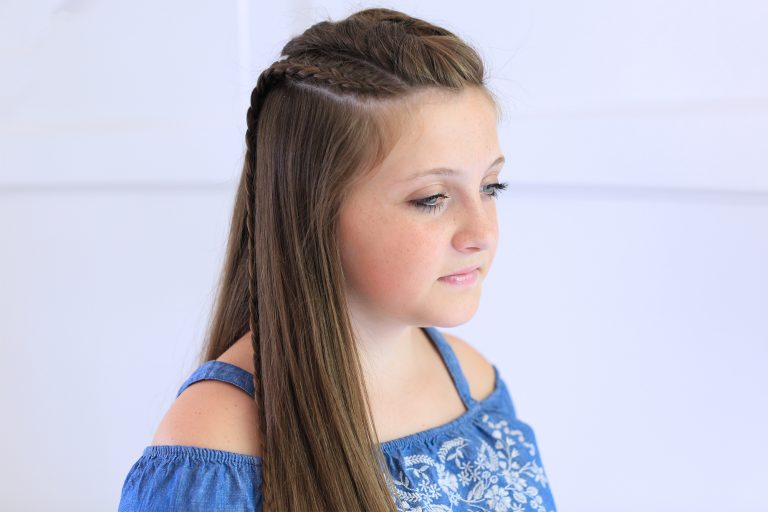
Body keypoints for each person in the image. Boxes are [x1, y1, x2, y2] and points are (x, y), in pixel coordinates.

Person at [118, 7, 557, 512]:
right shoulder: (218, 439)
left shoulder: (473, 384)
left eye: (489, 187)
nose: (481, 232)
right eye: (432, 198)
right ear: (314, 208)